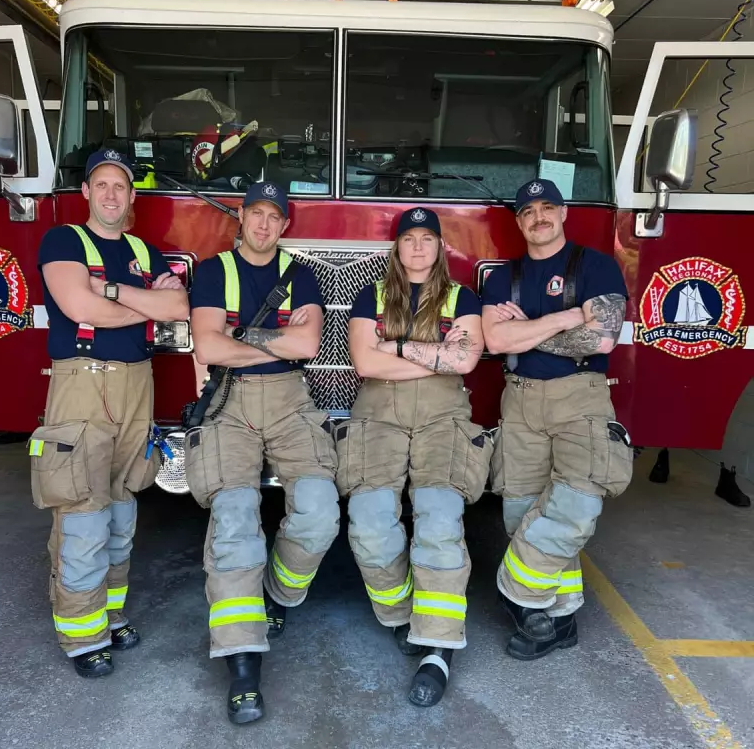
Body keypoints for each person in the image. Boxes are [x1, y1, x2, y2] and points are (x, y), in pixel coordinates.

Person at [29, 149, 188, 678]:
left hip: (136, 388)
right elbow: (81, 309)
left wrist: (114, 292)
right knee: (83, 514)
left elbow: (177, 308)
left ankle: (110, 612)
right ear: (87, 194)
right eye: (102, 185)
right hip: (83, 384)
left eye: (121, 186)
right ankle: (81, 633)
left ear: (132, 196)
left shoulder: (144, 249)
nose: (112, 194)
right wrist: (142, 303)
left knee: (122, 513)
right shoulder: (63, 241)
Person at [185, 181, 339, 726]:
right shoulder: (211, 271)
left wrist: (240, 336)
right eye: (257, 214)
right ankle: (242, 661)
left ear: (284, 226)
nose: (265, 224)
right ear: (242, 219)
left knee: (321, 510)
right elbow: (207, 347)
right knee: (234, 518)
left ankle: (276, 594)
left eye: (275, 216)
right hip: (229, 401)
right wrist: (272, 335)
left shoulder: (302, 273)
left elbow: (307, 346)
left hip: (291, 400)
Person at [340, 206, 491, 708]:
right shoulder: (371, 296)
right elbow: (364, 362)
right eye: (410, 239)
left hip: (443, 422)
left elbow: (465, 359)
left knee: (440, 521)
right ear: (397, 247)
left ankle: (438, 647)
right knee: (368, 522)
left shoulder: (462, 297)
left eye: (428, 238)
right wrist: (434, 356)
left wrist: (397, 347)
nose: (419, 247)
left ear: (439, 247)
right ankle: (404, 614)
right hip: (377, 418)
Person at [481, 178, 634, 660]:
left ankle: (518, 596)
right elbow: (497, 343)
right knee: (523, 511)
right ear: (520, 220)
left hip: (580, 399)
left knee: (573, 507)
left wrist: (524, 329)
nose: (538, 216)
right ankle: (559, 616)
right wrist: (566, 318)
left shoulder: (596, 266)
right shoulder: (502, 276)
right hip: (520, 401)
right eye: (528, 210)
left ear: (563, 213)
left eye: (548, 207)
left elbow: (603, 340)